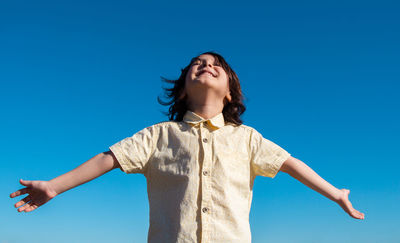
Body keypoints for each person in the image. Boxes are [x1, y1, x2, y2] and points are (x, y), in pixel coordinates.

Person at [10, 51, 365, 242]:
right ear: (182, 89)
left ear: (229, 92)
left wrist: (336, 193)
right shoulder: (157, 135)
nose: (206, 66)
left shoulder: (247, 138)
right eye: (198, 63)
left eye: (216, 66)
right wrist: (55, 185)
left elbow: (291, 163)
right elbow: (108, 160)